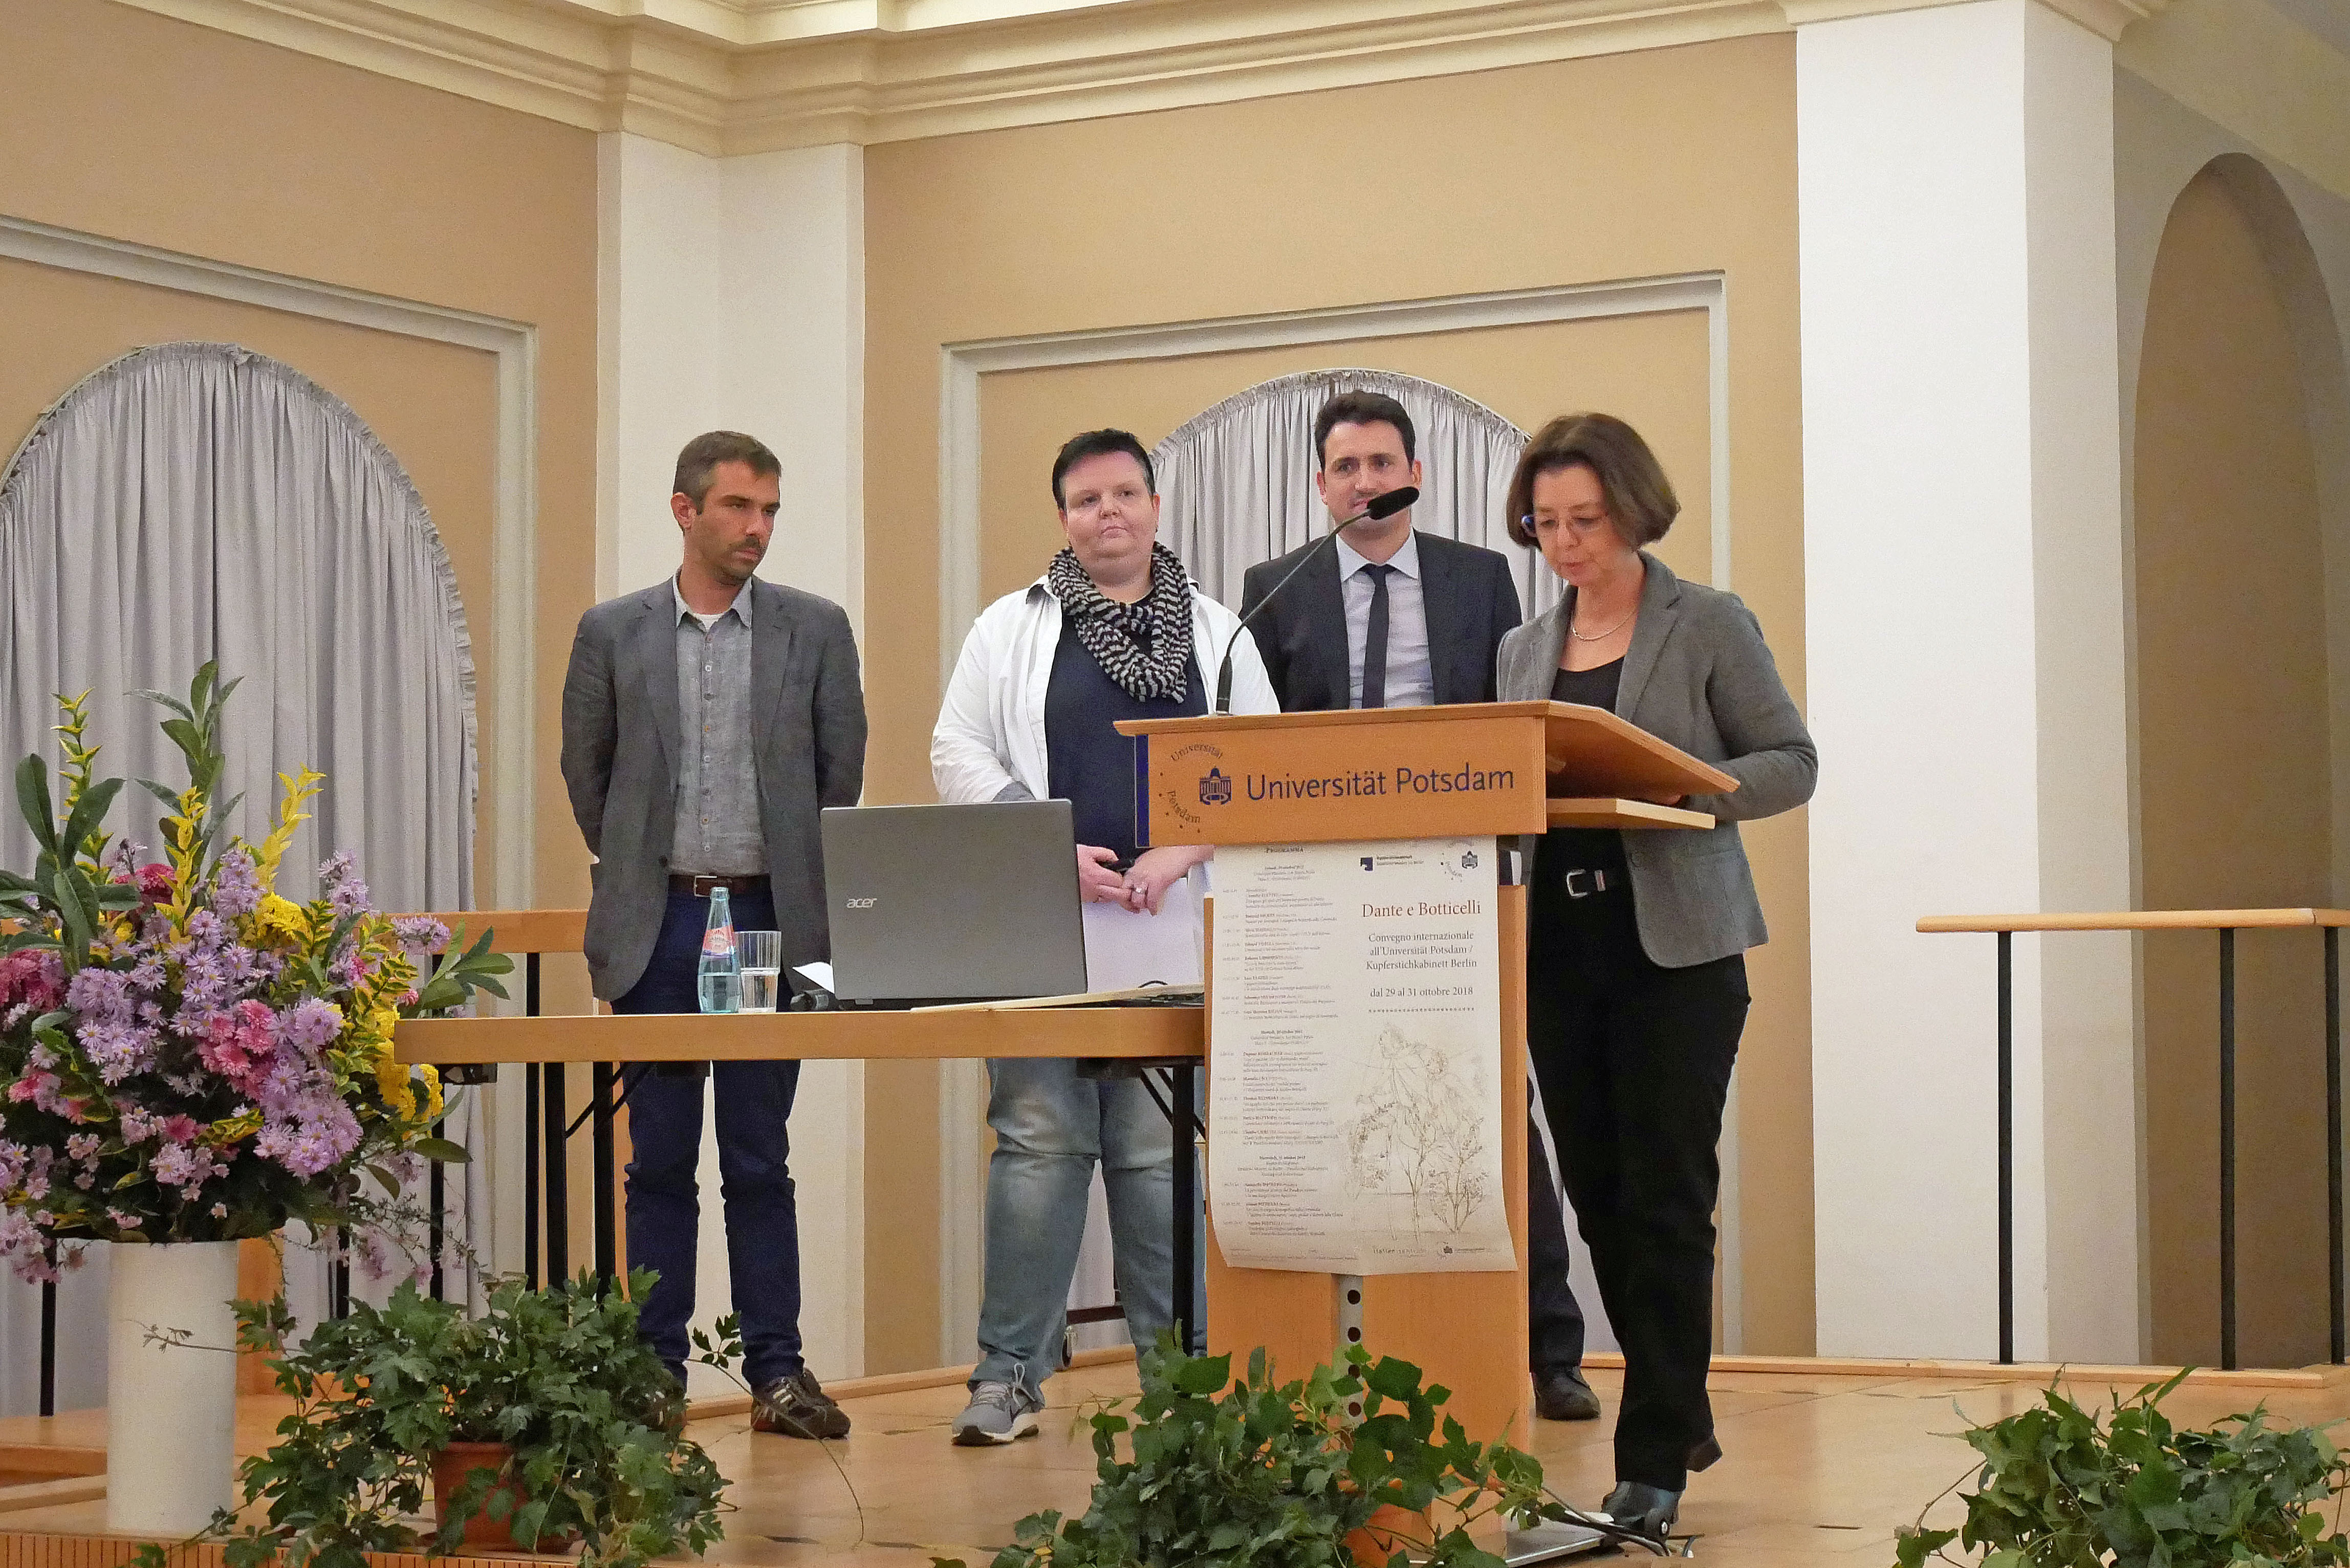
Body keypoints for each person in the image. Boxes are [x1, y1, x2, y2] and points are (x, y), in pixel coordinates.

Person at [1238, 389, 1601, 1425]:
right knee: (1334, 1107)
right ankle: (1337, 1352)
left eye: (1382, 463)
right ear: (1322, 486)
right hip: (1319, 892)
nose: (1366, 482)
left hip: (1455, 882)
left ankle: (1548, 1347)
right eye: (1346, 467)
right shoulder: (1276, 588)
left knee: (1492, 1107)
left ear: (1416, 474)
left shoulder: (1477, 577)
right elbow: (1256, 738)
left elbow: (1511, 722)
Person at [1496, 413, 1816, 1539]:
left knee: (1665, 1198)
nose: (1565, 543)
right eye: (1545, 524)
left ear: (1633, 510)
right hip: (1558, 950)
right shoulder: (1522, 648)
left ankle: (1650, 1462)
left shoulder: (1708, 620)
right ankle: (1677, 1409)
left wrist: (1693, 787)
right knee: (1599, 1202)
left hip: (1676, 951)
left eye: (1584, 520)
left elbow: (1792, 762)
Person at [932, 428, 1276, 1446]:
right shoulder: (1010, 626)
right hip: (1042, 929)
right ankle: (1008, 1376)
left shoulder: (1220, 633)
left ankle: (1183, 1388)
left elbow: (1265, 765)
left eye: (1125, 493)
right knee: (1038, 1145)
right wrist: (1043, 843)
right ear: (1064, 518)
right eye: (1086, 500)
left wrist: (1184, 847)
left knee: (1156, 1156)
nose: (1108, 513)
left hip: (1172, 928)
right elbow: (956, 748)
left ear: (1155, 506)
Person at [559, 429, 868, 1441]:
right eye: (739, 506)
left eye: (770, 509)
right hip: (662, 919)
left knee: (756, 1154)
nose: (758, 527)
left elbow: (839, 777)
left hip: (757, 918)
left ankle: (776, 1371)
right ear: (685, 510)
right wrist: (637, 867)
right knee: (657, 1158)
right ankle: (654, 1374)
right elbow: (588, 774)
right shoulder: (614, 632)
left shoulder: (814, 629)